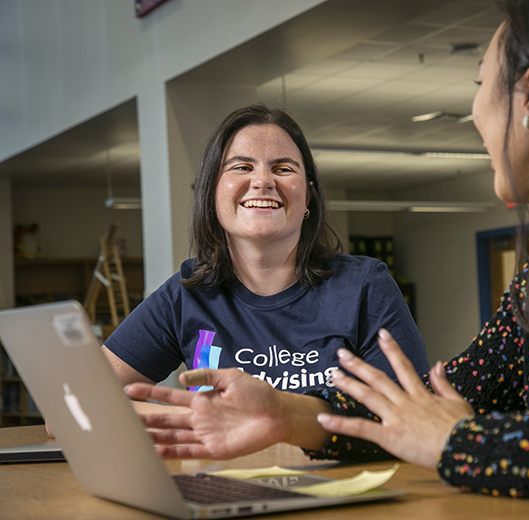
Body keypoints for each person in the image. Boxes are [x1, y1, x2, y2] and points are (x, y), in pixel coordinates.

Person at [125, 0, 529, 507]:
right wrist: (286, 414)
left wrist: (462, 442)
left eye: (478, 83)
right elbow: (437, 400)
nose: (472, 113)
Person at [101, 104, 428, 452]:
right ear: (213, 193)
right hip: (226, 492)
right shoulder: (186, 295)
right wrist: (200, 421)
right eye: (242, 167)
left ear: (307, 198)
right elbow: (78, 404)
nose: (262, 182)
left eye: (283, 169)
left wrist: (265, 423)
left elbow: (413, 420)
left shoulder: (364, 286)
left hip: (339, 493)